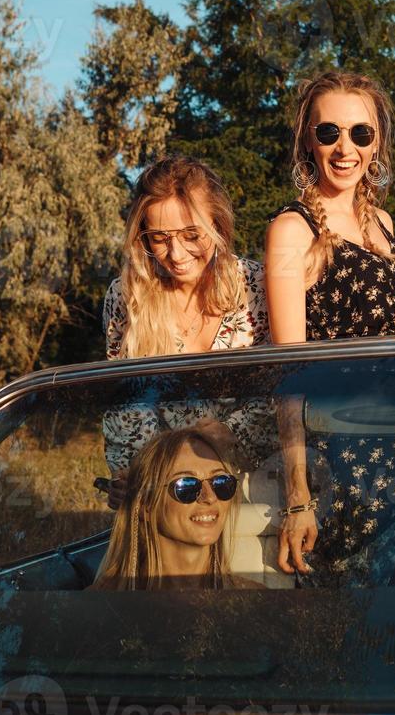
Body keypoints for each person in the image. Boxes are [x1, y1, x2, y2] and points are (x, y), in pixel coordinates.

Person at [263, 70, 395, 586]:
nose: (345, 147)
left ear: (377, 142)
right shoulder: (293, 230)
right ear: (308, 140)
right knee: (346, 623)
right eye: (328, 132)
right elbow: (288, 373)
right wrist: (296, 496)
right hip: (348, 459)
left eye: (360, 132)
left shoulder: (384, 222)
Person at [99, 156, 271, 495]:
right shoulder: (126, 296)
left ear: (218, 226)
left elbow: (279, 392)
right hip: (161, 490)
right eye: (159, 238)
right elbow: (125, 401)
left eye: (192, 234)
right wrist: (139, 477)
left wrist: (222, 437)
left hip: (252, 486)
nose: (176, 254)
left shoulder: (257, 286)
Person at [90, 421, 261, 590]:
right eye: (186, 485)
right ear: (145, 505)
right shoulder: (98, 607)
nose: (209, 497)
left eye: (221, 483)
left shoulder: (257, 603)